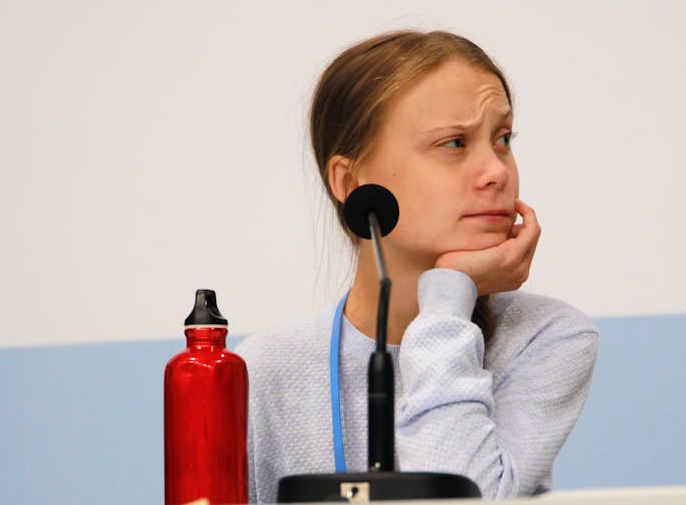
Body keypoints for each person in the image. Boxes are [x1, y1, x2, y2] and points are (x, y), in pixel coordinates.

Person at [235, 30, 598, 502]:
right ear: (351, 180)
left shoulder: (545, 339)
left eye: (502, 138)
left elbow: (470, 498)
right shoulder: (256, 374)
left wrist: (450, 294)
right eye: (453, 143)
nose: (497, 171)